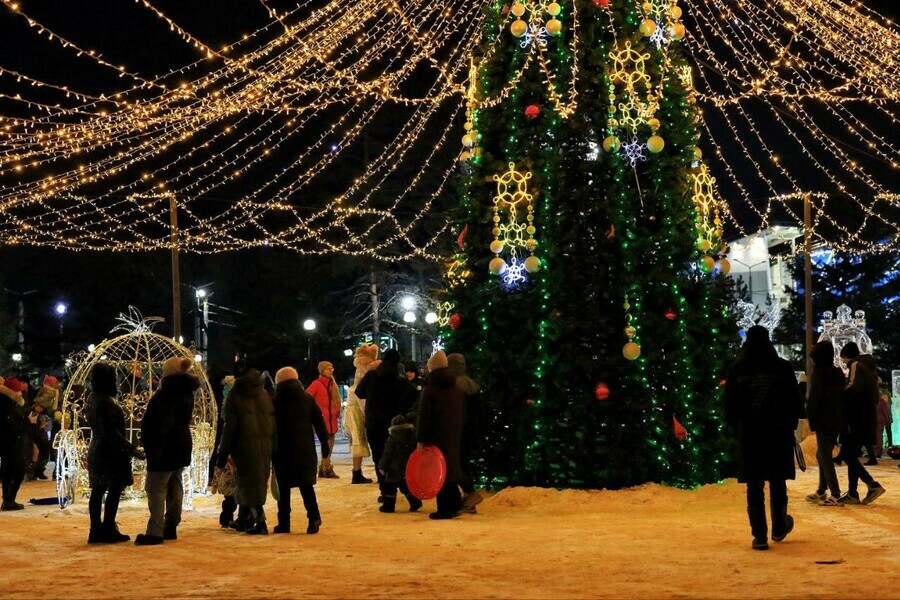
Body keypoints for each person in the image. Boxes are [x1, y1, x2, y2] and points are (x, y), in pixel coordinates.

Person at [724, 326, 804, 551]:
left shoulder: (737, 369)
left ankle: (759, 535)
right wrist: (790, 424)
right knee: (778, 481)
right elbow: (794, 401)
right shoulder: (782, 367)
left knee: (754, 484)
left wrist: (736, 429)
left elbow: (730, 406)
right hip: (777, 433)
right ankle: (779, 526)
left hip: (750, 434)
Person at [135, 357, 199, 546]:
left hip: (164, 447)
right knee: (174, 485)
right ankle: (171, 524)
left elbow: (162, 424)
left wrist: (153, 445)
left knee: (156, 488)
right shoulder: (187, 392)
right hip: (180, 445)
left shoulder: (166, 395)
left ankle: (155, 531)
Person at [86, 362, 144, 544]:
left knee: (98, 490)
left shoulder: (93, 398)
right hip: (109, 454)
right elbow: (110, 432)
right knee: (113, 490)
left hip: (97, 450)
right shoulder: (105, 402)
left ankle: (97, 529)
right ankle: (108, 527)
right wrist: (131, 449)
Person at [216, 360, 275, 535]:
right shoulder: (263, 392)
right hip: (264, 443)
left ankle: (260, 521)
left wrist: (222, 452)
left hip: (243, 444)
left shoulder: (236, 393)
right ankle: (242, 519)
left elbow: (230, 427)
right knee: (251, 481)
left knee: (248, 482)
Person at [272, 367, 330, 534]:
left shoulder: (275, 401)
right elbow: (319, 422)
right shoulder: (307, 399)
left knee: (283, 488)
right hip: (304, 448)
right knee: (306, 486)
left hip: (282, 449)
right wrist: (325, 443)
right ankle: (314, 518)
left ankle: (284, 523)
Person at [356, 348, 417, 497]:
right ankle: (401, 489)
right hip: (394, 426)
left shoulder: (372, 376)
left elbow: (359, 392)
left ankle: (385, 490)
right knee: (396, 456)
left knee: (379, 457)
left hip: (374, 424)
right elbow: (414, 394)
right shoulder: (400, 380)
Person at [417, 351, 467, 520]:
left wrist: (421, 440)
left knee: (439, 471)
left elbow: (424, 417)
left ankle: (445, 509)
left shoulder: (430, 390)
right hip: (453, 434)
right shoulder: (455, 388)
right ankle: (454, 504)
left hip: (435, 436)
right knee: (450, 468)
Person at [838, 343, 885, 504]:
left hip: (857, 417)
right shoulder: (869, 368)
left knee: (846, 454)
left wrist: (839, 392)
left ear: (846, 355)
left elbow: (853, 386)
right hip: (866, 415)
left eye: (843, 359)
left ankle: (872, 484)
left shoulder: (856, 365)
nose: (843, 363)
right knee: (852, 455)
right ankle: (852, 493)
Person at [804, 341, 844, 506]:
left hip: (823, 419)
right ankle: (822, 489)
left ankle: (835, 493)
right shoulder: (838, 373)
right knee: (822, 454)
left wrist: (810, 417)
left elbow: (815, 398)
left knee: (825, 456)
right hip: (836, 418)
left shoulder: (820, 374)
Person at [447, 353, 484, 512]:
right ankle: (469, 501)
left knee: (456, 465)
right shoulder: (471, 384)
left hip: (458, 430)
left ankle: (470, 493)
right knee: (464, 463)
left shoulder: (453, 384)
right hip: (471, 430)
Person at [344, 344, 378, 484]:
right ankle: (359, 474)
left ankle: (356, 472)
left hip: (353, 409)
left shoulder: (359, 368)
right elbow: (363, 395)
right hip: (359, 409)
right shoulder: (370, 369)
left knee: (357, 442)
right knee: (365, 441)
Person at [378, 413, 422, 513]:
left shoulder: (392, 439)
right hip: (406, 469)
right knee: (406, 488)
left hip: (393, 470)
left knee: (390, 490)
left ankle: (388, 507)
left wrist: (381, 465)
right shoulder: (411, 438)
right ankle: (416, 503)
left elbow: (387, 454)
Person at [306, 361, 341, 479]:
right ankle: (326, 467)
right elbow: (307, 397)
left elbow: (336, 400)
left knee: (330, 443)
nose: (331, 371)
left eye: (332, 368)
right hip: (323, 418)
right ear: (322, 371)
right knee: (327, 443)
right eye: (328, 369)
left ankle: (323, 467)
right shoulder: (316, 384)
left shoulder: (333, 384)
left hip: (332, 418)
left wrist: (336, 410)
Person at [0, 377, 29, 511]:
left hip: (13, 443)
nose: (21, 393)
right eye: (18, 391)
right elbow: (11, 426)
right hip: (11, 443)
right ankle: (8, 500)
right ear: (12, 391)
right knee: (15, 469)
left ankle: (9, 500)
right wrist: (28, 422)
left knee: (12, 470)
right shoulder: (6, 404)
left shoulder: (12, 404)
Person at [876, 390, 892, 458]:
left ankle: (877, 451)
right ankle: (878, 451)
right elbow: (886, 411)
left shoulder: (877, 401)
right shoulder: (882, 401)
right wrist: (889, 419)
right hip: (880, 420)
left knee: (877, 436)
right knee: (879, 435)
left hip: (876, 420)